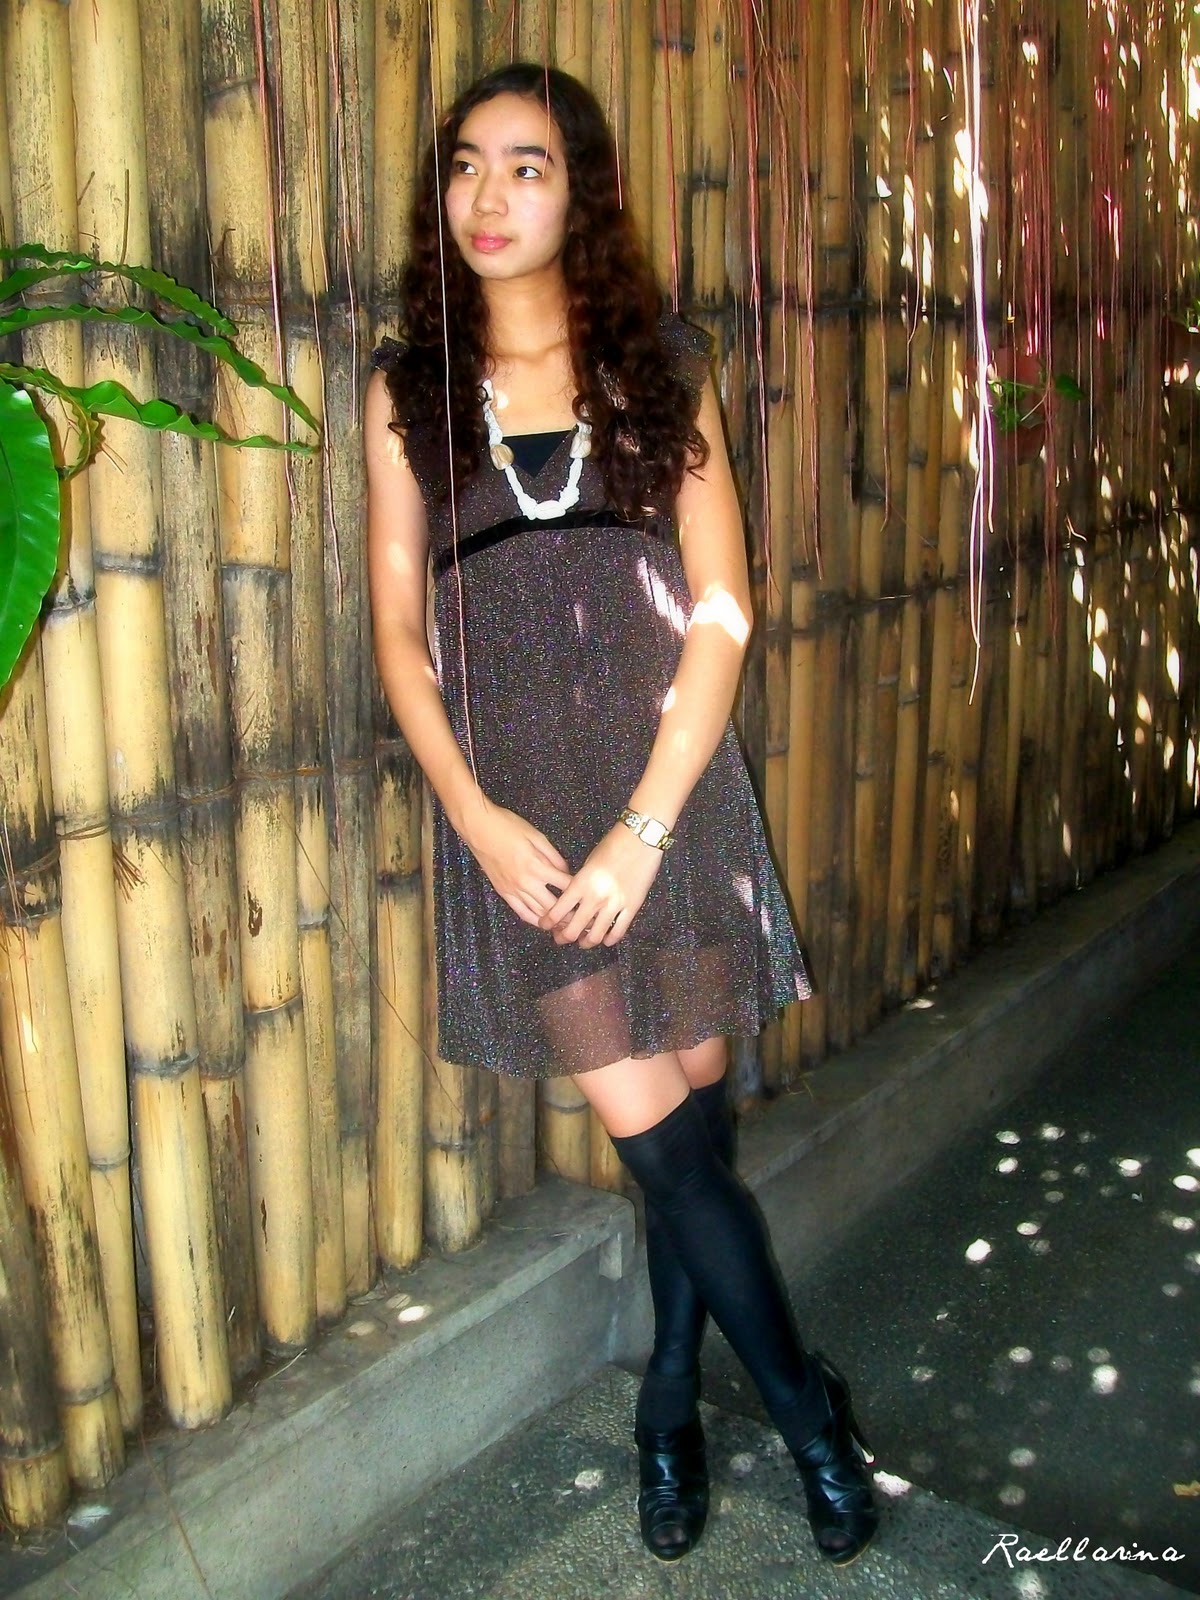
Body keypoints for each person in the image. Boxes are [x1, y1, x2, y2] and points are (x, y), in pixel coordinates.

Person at [364, 61, 878, 1568]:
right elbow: (398, 634)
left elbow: (721, 609)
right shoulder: (408, 390)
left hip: (673, 810)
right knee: (661, 1150)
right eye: (467, 165)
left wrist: (648, 825)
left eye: (526, 167)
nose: (487, 197)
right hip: (526, 834)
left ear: (579, 193)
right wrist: (474, 816)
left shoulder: (663, 365)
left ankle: (666, 1396)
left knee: (695, 1129)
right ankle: (811, 1421)